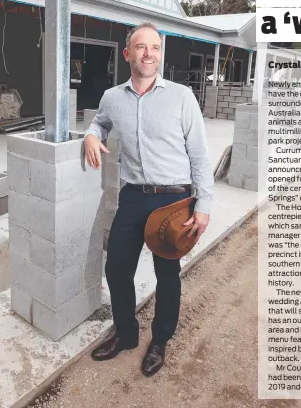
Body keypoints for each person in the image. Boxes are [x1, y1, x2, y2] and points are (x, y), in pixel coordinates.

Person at [83, 22, 214, 376]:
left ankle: (160, 340)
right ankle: (126, 334)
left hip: (173, 200)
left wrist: (202, 206)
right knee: (116, 268)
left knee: (166, 272)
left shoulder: (182, 96)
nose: (148, 54)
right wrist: (91, 136)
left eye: (154, 48)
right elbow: (99, 123)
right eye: (141, 47)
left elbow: (200, 155)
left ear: (161, 54)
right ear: (128, 54)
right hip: (133, 196)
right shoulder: (112, 97)